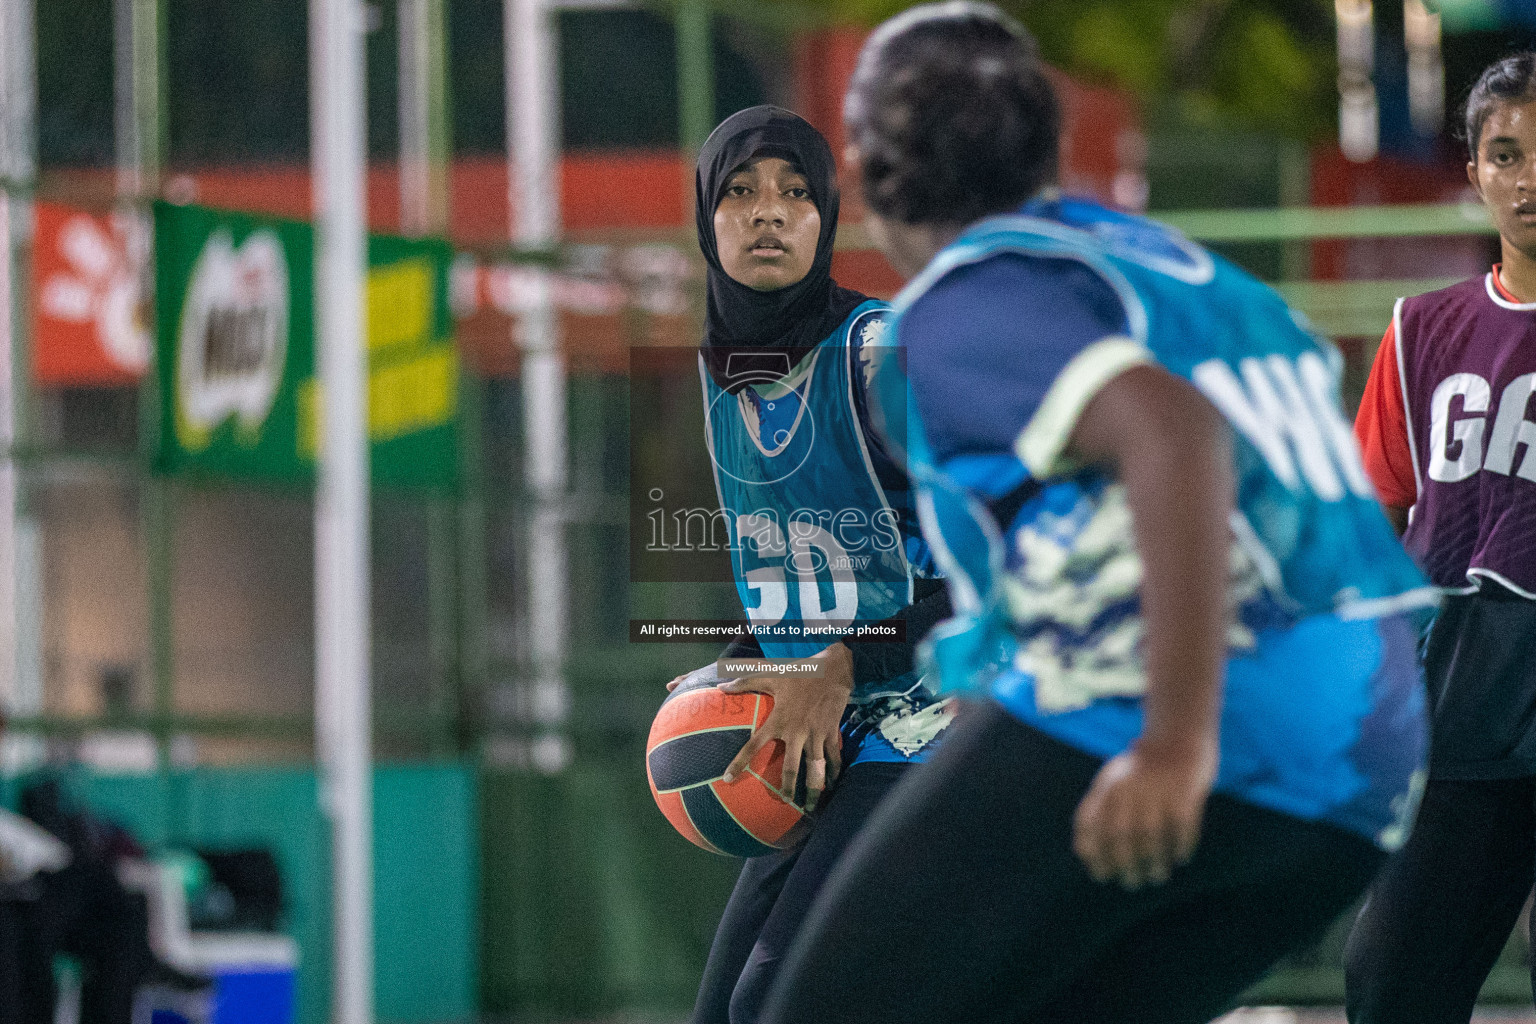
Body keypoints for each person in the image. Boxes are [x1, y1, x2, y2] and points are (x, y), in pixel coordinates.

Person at [756, 6, 1438, 1023]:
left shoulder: (971, 300)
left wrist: (1174, 739)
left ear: (863, 165)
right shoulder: (1171, 265)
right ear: (1046, 145)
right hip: (1366, 753)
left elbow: (1174, 436)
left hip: (1184, 711)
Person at [675, 105, 952, 1024]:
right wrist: (744, 667)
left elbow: (1013, 569)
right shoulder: (723, 373)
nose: (768, 213)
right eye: (741, 191)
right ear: (706, 217)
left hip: (937, 732)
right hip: (812, 749)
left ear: (827, 217)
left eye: (796, 192)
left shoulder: (881, 358)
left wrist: (841, 661)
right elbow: (801, 585)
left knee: (787, 1003)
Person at [1345, 53, 1536, 1024]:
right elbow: (1371, 519)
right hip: (1460, 712)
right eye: (1506, 154)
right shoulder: (1423, 330)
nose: (1529, 178)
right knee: (1391, 985)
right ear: (1476, 173)